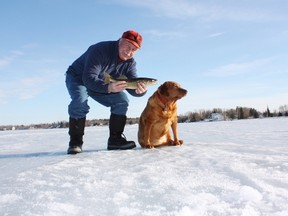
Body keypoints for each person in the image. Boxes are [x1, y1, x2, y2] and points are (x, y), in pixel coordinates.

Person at [65, 30, 147, 154]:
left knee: (121, 100)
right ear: (120, 41)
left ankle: (115, 140)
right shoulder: (100, 50)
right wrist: (109, 88)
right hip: (78, 77)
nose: (129, 51)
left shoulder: (130, 63)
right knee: (80, 100)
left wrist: (139, 91)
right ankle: (75, 143)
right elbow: (88, 78)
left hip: (102, 82)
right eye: (127, 46)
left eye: (134, 50)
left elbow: (131, 84)